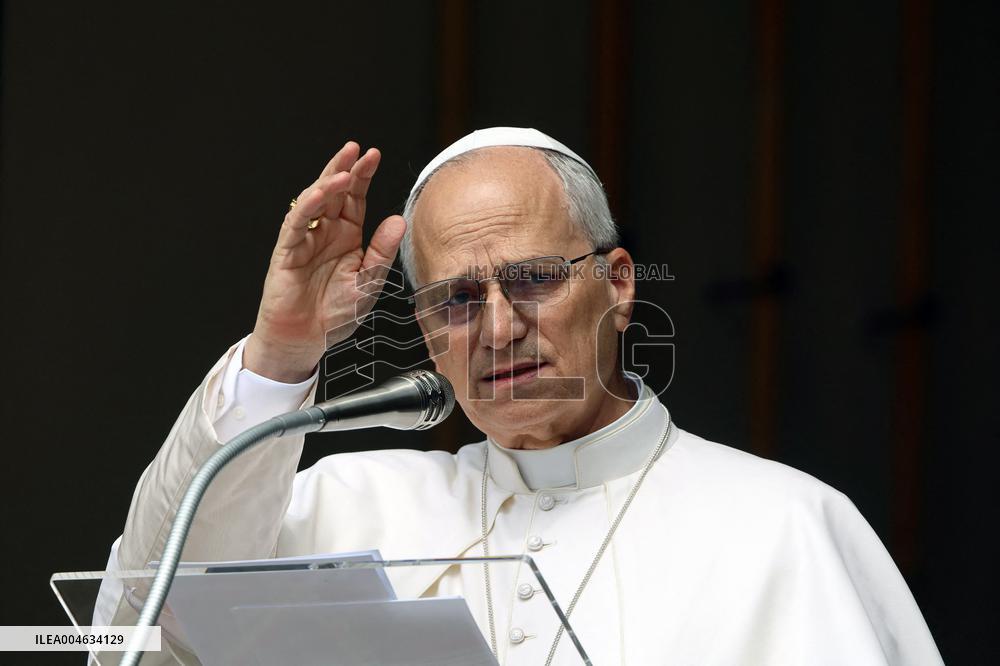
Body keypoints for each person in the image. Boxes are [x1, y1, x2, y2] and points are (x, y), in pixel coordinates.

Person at [97, 127, 943, 665]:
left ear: (618, 284)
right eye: (457, 299)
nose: (498, 329)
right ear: (426, 329)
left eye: (533, 279)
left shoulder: (783, 525)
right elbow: (138, 632)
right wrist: (281, 352)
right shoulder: (349, 506)